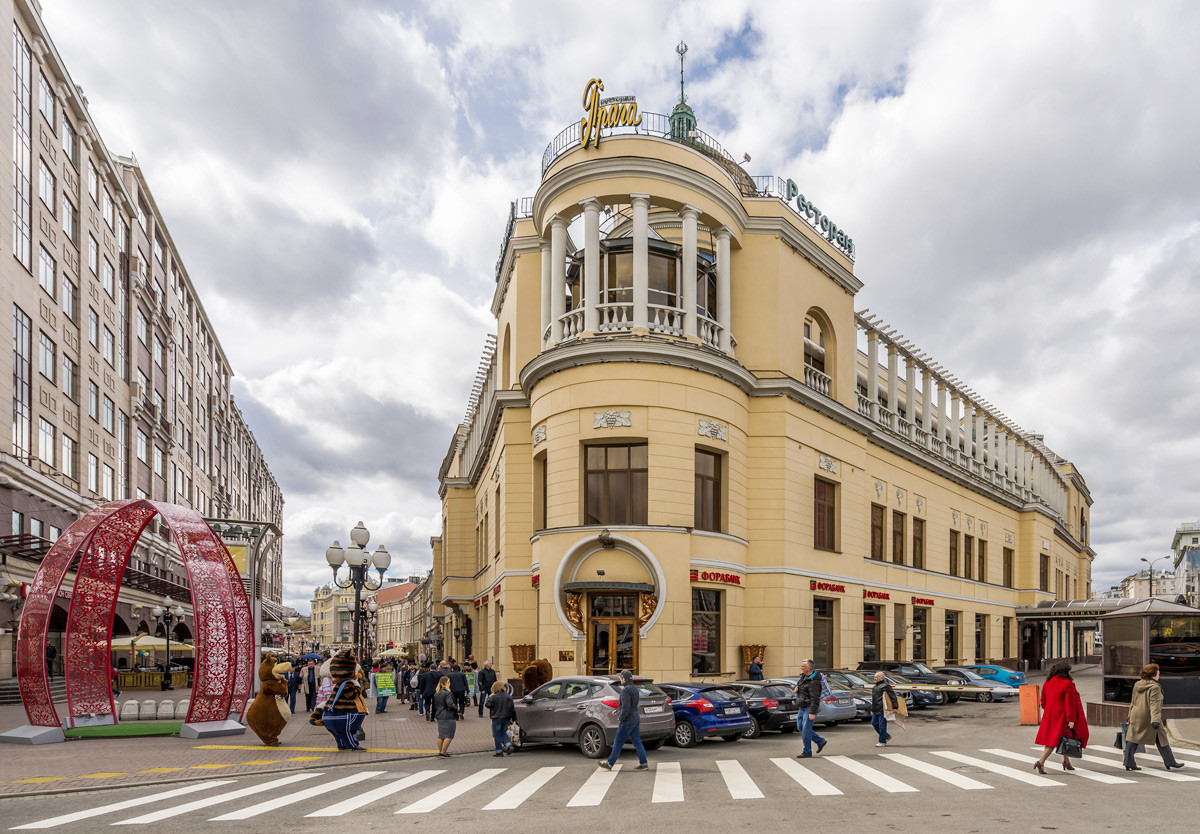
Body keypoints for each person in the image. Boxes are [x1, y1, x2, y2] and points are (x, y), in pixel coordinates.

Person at [1123, 662, 1186, 771]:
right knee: (1162, 738)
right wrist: (1155, 720)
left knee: (1133, 738)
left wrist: (1130, 715)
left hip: (1136, 714)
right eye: (1158, 672)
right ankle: (1170, 761)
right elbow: (1155, 705)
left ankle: (1128, 762)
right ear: (1153, 674)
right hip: (1149, 716)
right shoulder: (1155, 687)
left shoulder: (1138, 684)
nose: (1159, 674)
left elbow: (1133, 701)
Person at [1033, 661, 1089, 773]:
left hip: (1050, 716)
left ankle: (1066, 762)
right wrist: (1071, 719)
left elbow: (1043, 701)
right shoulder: (1068, 684)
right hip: (1063, 717)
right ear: (1065, 672)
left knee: (1063, 739)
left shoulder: (1047, 682)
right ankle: (1041, 762)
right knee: (1054, 741)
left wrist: (1050, 709)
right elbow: (1070, 703)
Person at [310, 651, 367, 751]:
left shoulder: (339, 684)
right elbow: (351, 694)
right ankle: (353, 745)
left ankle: (341, 745)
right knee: (347, 731)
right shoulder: (347, 683)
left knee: (338, 733)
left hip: (329, 716)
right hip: (344, 715)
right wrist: (357, 688)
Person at [598, 670, 649, 771]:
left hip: (627, 720)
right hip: (635, 719)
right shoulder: (634, 689)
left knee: (617, 743)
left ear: (624, 679)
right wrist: (618, 710)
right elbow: (630, 704)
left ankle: (609, 764)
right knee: (637, 742)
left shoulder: (625, 690)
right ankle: (644, 763)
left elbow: (626, 706)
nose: (620, 679)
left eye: (620, 678)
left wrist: (621, 717)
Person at [793, 659, 828, 759]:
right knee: (801, 727)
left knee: (806, 730)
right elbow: (800, 683)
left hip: (809, 708)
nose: (801, 668)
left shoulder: (814, 682)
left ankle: (807, 751)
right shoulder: (804, 676)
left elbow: (815, 698)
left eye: (803, 666)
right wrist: (797, 687)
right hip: (802, 706)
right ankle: (820, 741)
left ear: (808, 669)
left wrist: (812, 712)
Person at [485, 680, 516, 757]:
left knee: (497, 735)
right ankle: (509, 745)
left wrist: (489, 697)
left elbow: (487, 705)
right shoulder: (508, 696)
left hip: (497, 718)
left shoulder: (494, 697)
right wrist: (514, 718)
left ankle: (499, 751)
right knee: (503, 732)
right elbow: (512, 708)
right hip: (506, 718)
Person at [870, 671, 897, 747]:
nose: (875, 678)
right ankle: (886, 736)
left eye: (876, 677)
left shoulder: (886, 686)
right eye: (874, 677)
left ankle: (882, 741)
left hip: (883, 709)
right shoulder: (875, 687)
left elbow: (892, 696)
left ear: (881, 678)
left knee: (882, 726)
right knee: (874, 723)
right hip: (875, 709)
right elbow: (874, 699)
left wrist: (895, 707)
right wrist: (872, 709)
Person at [434, 675, 458, 758]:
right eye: (449, 682)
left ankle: (441, 751)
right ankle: (443, 752)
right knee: (449, 735)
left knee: (441, 735)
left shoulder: (437, 693)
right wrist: (455, 708)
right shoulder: (447, 693)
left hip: (439, 714)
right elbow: (450, 704)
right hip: (448, 715)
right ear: (446, 683)